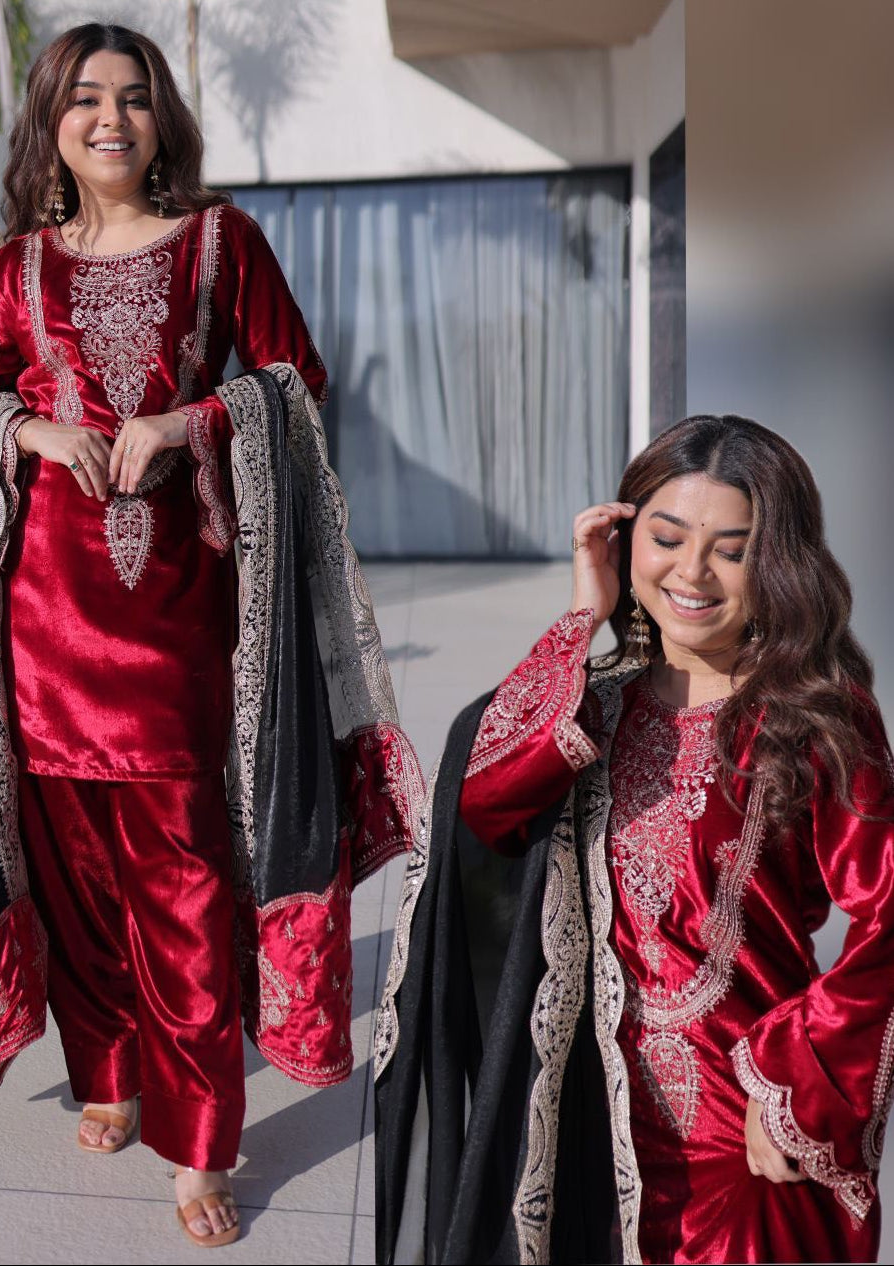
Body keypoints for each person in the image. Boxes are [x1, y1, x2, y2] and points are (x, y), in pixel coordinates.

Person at [0, 23, 421, 1249]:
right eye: (85, 100)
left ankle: (198, 1140)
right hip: (35, 625)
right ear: (51, 124)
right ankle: (111, 1073)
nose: (112, 120)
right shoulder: (16, 268)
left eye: (134, 100)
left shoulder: (221, 244)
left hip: (179, 622)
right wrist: (26, 431)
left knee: (180, 881)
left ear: (163, 119)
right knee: (74, 882)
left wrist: (187, 424)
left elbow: (294, 378)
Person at [375, 415, 894, 1264]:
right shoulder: (596, 702)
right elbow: (483, 807)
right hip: (584, 1119)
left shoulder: (812, 714)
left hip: (740, 1131)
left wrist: (799, 1086)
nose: (691, 573)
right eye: (665, 537)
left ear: (778, 564)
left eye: (731, 549)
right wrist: (584, 617)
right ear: (625, 537)